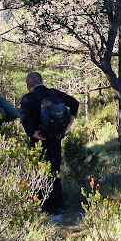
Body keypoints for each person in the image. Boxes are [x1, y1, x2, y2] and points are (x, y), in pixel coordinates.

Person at [19, 71, 79, 215]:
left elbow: (24, 118)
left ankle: (44, 206)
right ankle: (59, 205)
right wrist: (68, 124)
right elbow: (74, 103)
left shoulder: (29, 98)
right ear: (42, 81)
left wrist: (33, 133)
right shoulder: (54, 93)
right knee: (55, 171)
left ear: (28, 85)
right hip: (56, 139)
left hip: (38, 142)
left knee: (39, 172)